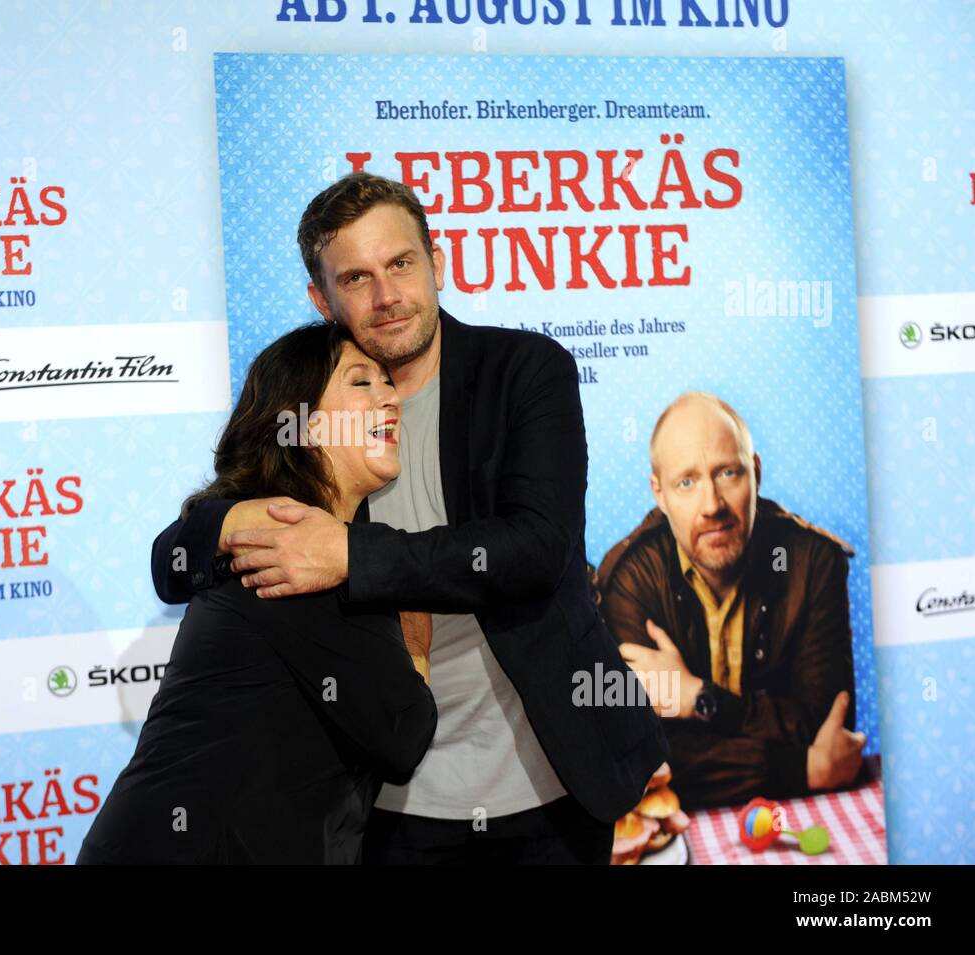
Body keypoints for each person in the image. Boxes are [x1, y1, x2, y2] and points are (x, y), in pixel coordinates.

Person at [151, 172, 669, 864]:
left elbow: (537, 547)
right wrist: (234, 517)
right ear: (321, 299)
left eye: (401, 264)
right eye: (357, 278)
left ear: (437, 263)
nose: (387, 295)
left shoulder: (524, 370)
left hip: (554, 785)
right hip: (391, 805)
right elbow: (174, 563)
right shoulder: (321, 404)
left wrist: (350, 555)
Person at [77, 321, 437, 864]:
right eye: (361, 383)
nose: (390, 398)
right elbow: (403, 734)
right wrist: (417, 636)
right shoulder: (299, 551)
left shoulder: (280, 536)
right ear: (301, 423)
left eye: (389, 383)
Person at [593, 391, 866, 809]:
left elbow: (827, 733)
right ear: (659, 493)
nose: (712, 506)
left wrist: (699, 699)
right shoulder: (630, 580)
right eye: (686, 482)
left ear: (755, 472)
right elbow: (641, 764)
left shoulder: (814, 563)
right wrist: (801, 768)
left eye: (727, 473)